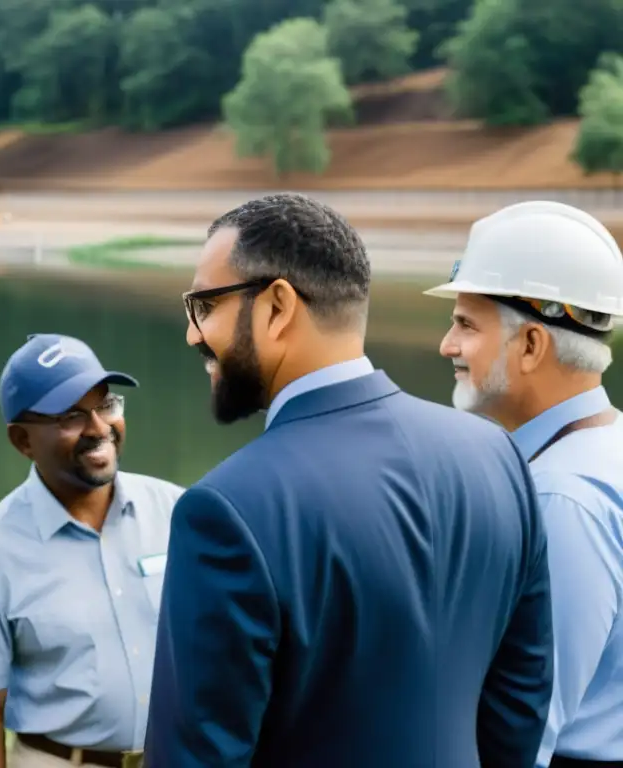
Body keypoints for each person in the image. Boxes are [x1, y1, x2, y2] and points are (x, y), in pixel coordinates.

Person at [144, 193, 555, 767]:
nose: (193, 334)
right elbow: (520, 702)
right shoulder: (496, 456)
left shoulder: (227, 508)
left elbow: (197, 755)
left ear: (277, 307)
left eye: (204, 306)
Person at [425, 200, 623, 768]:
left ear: (532, 345)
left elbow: (524, 732)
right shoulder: (600, 455)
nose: (447, 345)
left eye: (466, 324)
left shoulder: (560, 501)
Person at [0, 334, 185, 768]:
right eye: (71, 416)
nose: (99, 427)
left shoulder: (176, 512)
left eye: (107, 405)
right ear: (22, 440)